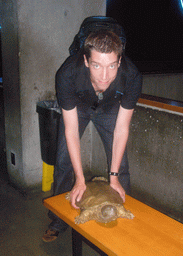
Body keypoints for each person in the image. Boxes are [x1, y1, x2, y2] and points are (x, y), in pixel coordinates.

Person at [42, 27, 142, 242]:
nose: (104, 76)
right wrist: (79, 179)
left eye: (112, 66)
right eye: (96, 65)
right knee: (63, 161)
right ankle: (59, 220)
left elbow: (122, 128)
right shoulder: (67, 74)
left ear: (120, 61)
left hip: (110, 108)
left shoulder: (131, 76)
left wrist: (113, 178)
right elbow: (70, 129)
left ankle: (122, 217)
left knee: (121, 167)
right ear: (86, 61)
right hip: (78, 107)